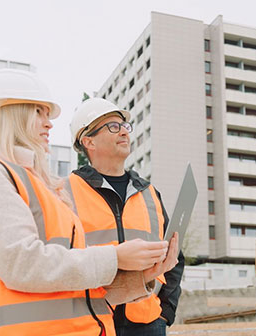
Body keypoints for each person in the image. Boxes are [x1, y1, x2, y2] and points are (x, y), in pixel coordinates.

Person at [0, 69, 178, 336]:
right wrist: (115, 257)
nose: (49, 124)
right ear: (9, 113)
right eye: (38, 112)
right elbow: (23, 265)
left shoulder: (39, 187)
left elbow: (71, 291)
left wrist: (141, 278)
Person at [66, 98, 185, 336]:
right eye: (113, 126)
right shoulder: (66, 191)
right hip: (92, 319)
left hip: (148, 321)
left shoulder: (149, 193)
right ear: (88, 141)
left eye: (124, 126)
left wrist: (166, 311)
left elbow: (175, 256)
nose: (123, 132)